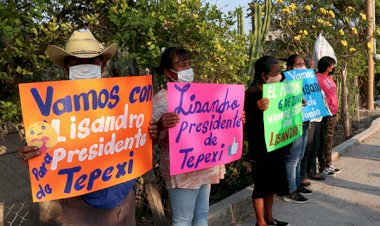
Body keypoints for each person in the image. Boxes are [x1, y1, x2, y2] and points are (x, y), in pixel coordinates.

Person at [18, 29, 157, 226]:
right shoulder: (49, 106)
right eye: (76, 61)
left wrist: (148, 132)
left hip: (124, 198)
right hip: (82, 209)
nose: (85, 65)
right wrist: (32, 155)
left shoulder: (126, 99)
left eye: (91, 60)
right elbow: (45, 155)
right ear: (67, 68)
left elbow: (137, 140)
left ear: (102, 65)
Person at [152, 47, 228, 226]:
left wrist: (234, 118)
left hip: (205, 163)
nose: (187, 68)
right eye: (181, 64)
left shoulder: (202, 94)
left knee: (202, 217)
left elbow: (217, 122)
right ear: (167, 71)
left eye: (188, 64)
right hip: (182, 169)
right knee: (182, 220)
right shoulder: (161, 100)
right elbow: (150, 138)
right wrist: (161, 124)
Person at [245, 56, 288, 226]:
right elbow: (246, 119)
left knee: (271, 185)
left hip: (275, 145)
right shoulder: (252, 94)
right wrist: (257, 108)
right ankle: (260, 221)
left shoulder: (276, 90)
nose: (280, 76)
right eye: (276, 72)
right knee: (261, 186)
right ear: (264, 75)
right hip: (260, 148)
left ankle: (269, 218)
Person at [282, 54, 312, 204]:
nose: (302, 66)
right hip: (294, 123)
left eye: (303, 64)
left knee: (299, 156)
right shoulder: (286, 82)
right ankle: (291, 190)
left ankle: (297, 184)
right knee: (293, 158)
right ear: (289, 68)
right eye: (298, 64)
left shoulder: (305, 80)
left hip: (305, 121)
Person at [316, 56, 341, 176]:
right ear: (327, 67)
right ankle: (323, 165)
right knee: (324, 139)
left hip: (333, 112)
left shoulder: (329, 78)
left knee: (329, 138)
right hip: (326, 113)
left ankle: (329, 163)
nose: (333, 67)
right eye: (332, 65)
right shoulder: (317, 78)